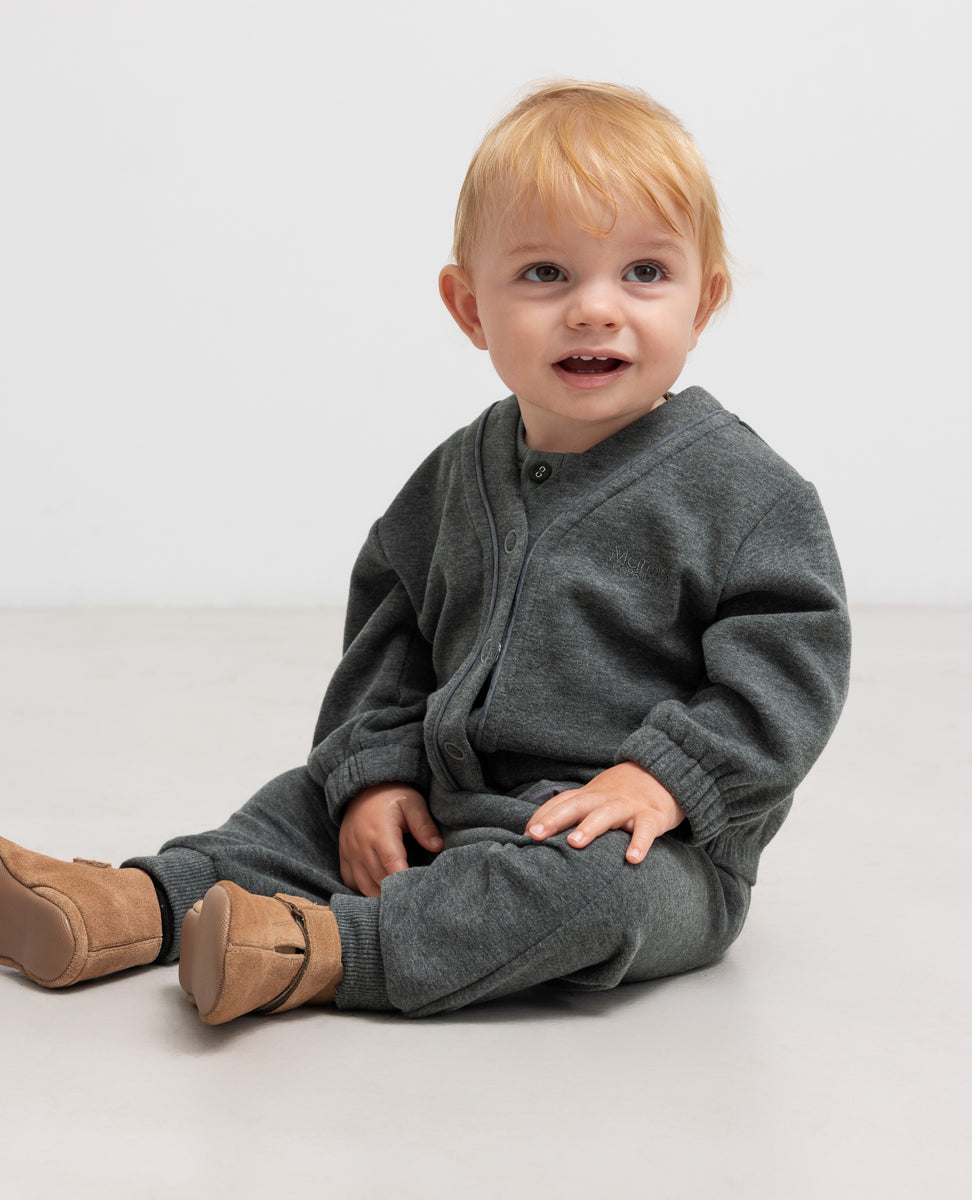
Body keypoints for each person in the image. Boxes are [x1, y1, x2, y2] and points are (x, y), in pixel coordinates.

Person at [0, 80, 850, 1023]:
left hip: (639, 840)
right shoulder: (455, 475)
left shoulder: (745, 493)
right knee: (300, 804)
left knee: (593, 895)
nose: (595, 309)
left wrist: (668, 778)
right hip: (442, 800)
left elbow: (791, 669)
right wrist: (375, 775)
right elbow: (392, 640)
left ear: (705, 301)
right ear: (469, 307)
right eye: (546, 274)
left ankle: (318, 950)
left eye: (645, 272)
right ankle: (138, 906)